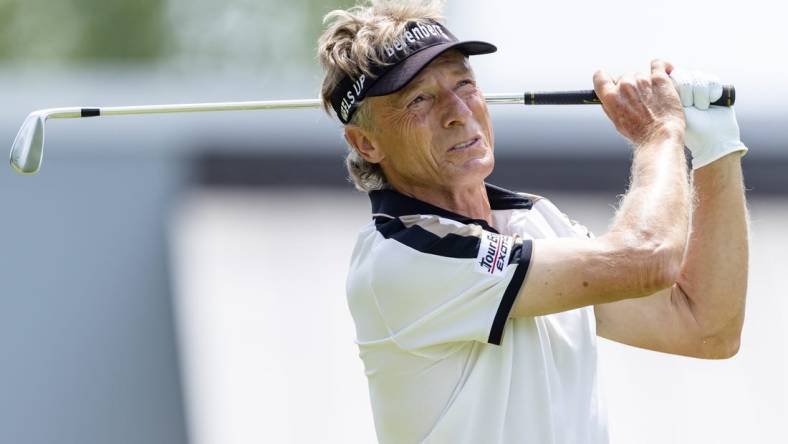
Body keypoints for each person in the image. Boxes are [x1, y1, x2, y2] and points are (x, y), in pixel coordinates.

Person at [317, 1, 749, 442]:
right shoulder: (400, 257)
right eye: (420, 99)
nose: (457, 111)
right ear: (365, 142)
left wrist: (719, 149)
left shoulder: (535, 220)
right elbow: (646, 257)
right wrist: (660, 135)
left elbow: (706, 328)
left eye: (464, 83)